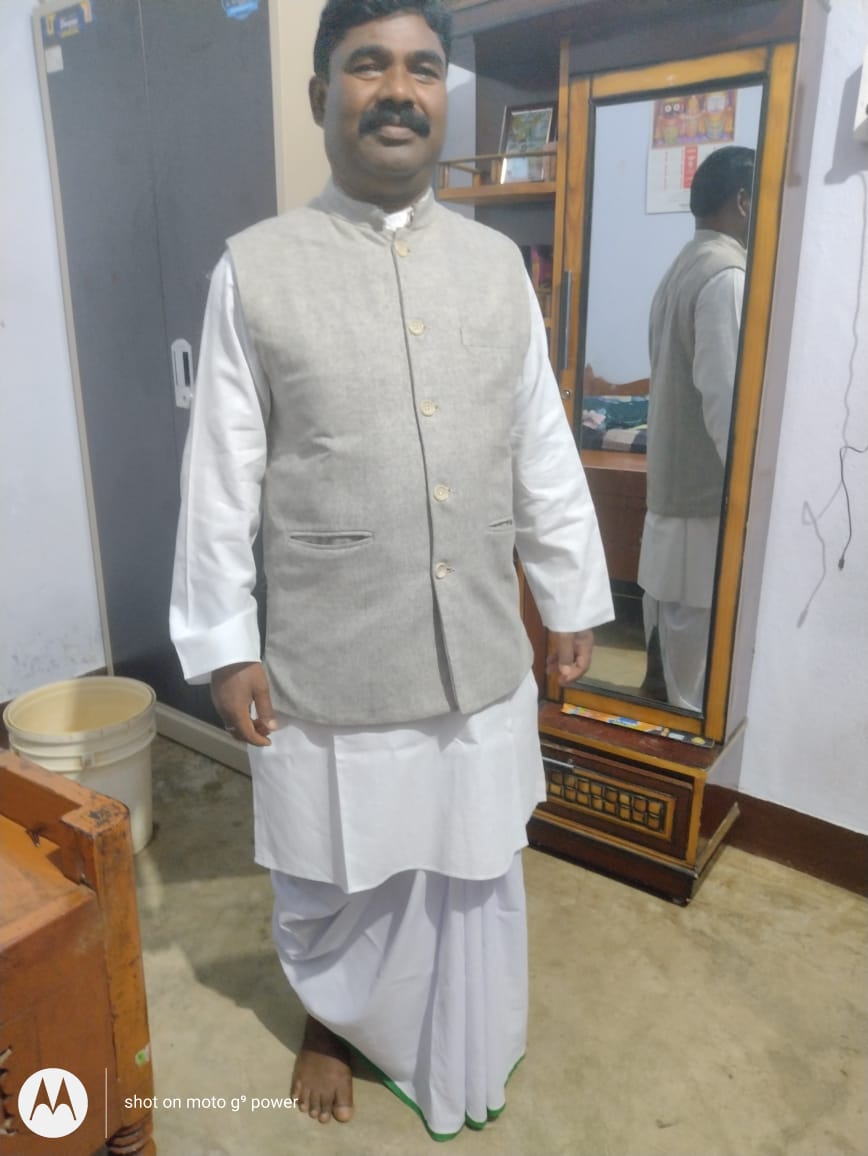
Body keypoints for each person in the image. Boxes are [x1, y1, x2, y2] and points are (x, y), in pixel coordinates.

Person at [170, 0, 612, 1139]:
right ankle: (333, 1017)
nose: (399, 91)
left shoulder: (496, 267)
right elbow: (219, 475)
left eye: (422, 68)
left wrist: (568, 593)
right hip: (334, 643)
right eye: (369, 66)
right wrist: (223, 645)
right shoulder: (255, 269)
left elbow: (539, 441)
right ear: (324, 95)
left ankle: (459, 1026)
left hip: (478, 638)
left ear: (442, 95)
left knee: (471, 848)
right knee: (335, 861)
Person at [638, 145, 755, 712]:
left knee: (670, 654)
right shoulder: (727, 276)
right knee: (693, 687)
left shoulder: (681, 268)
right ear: (743, 201)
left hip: (673, 498)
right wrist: (753, 500)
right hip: (703, 508)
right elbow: (728, 407)